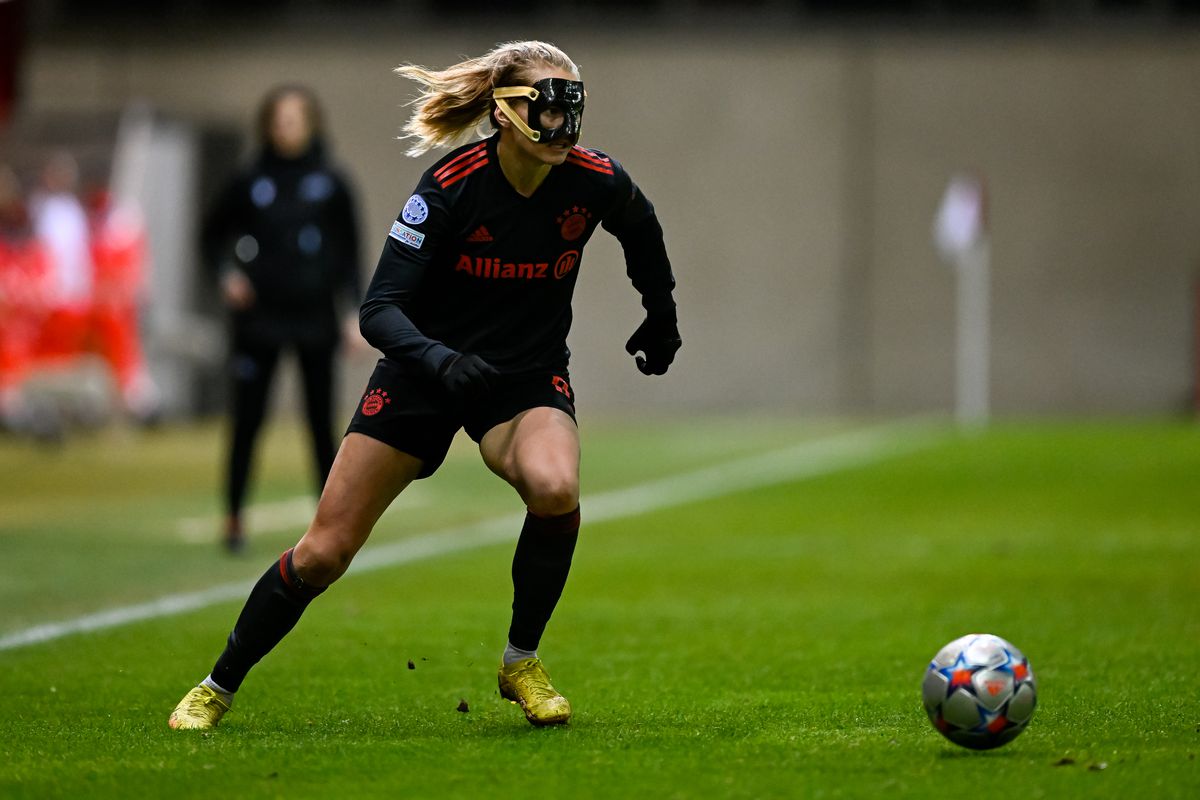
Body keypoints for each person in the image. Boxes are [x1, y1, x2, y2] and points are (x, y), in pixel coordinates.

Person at [168, 41, 681, 731]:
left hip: (521, 380)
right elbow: (379, 308)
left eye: (571, 111)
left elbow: (640, 227)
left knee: (557, 488)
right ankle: (217, 684)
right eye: (547, 111)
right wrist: (441, 362)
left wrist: (661, 312)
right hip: (422, 373)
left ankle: (520, 661)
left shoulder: (592, 180)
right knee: (325, 551)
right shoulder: (452, 185)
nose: (563, 128)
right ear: (504, 115)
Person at [202, 85, 363, 552]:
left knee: (320, 424)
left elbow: (351, 254)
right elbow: (211, 235)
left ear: (311, 123)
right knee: (247, 420)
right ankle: (233, 519)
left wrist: (354, 314)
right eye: (279, 119)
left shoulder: (332, 181)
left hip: (315, 318)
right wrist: (226, 274)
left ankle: (329, 526)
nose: (286, 127)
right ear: (268, 125)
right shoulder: (250, 179)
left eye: (295, 118)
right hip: (259, 321)